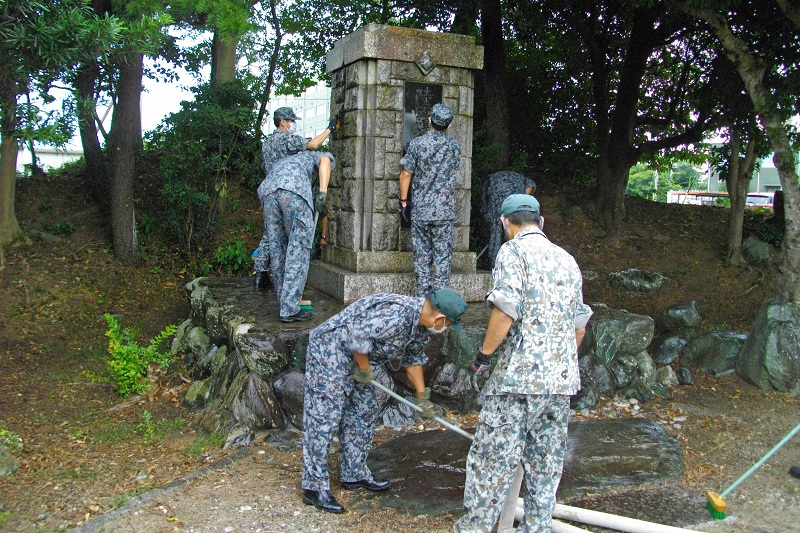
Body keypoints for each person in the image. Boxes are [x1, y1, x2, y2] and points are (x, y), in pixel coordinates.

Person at [454, 194, 593, 533]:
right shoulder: (567, 259)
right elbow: (579, 326)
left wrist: (483, 358)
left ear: (504, 222)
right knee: (545, 467)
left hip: (517, 382)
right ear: (540, 222)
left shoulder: (512, 251)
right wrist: (557, 364)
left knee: (490, 464)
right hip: (559, 384)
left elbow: (505, 309)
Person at [302, 288, 469, 514]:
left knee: (364, 410)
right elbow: (357, 337)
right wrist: (364, 370)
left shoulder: (419, 326)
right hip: (331, 349)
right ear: (440, 319)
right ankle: (314, 487)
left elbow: (413, 360)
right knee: (324, 417)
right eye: (449, 325)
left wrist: (422, 398)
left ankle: (354, 473)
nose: (445, 330)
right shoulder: (398, 314)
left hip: (363, 358)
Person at [254, 107, 337, 289]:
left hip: (269, 190)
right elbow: (313, 145)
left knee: (270, 235)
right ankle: (290, 291)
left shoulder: (267, 143)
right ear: (283, 122)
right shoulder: (285, 138)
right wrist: (329, 129)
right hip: (290, 190)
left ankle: (261, 273)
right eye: (291, 121)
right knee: (295, 239)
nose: (293, 124)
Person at [258, 150, 333, 322]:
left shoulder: (291, 159)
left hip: (268, 191)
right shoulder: (316, 156)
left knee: (278, 247)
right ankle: (290, 308)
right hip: (294, 191)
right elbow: (325, 162)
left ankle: (284, 301)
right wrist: (322, 193)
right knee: (298, 249)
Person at [398, 103, 461, 296]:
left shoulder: (417, 144)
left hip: (422, 210)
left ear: (429, 121)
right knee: (443, 259)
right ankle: (440, 306)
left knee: (422, 257)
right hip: (445, 211)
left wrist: (403, 202)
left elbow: (406, 174)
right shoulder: (455, 147)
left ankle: (423, 303)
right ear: (449, 125)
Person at [480, 171, 536, 269]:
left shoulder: (490, 179)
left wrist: (489, 218)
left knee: (495, 237)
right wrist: (523, 200)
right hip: (514, 209)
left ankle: (495, 266)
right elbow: (531, 185)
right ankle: (514, 265)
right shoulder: (521, 179)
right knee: (515, 235)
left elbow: (484, 206)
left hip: (496, 209)